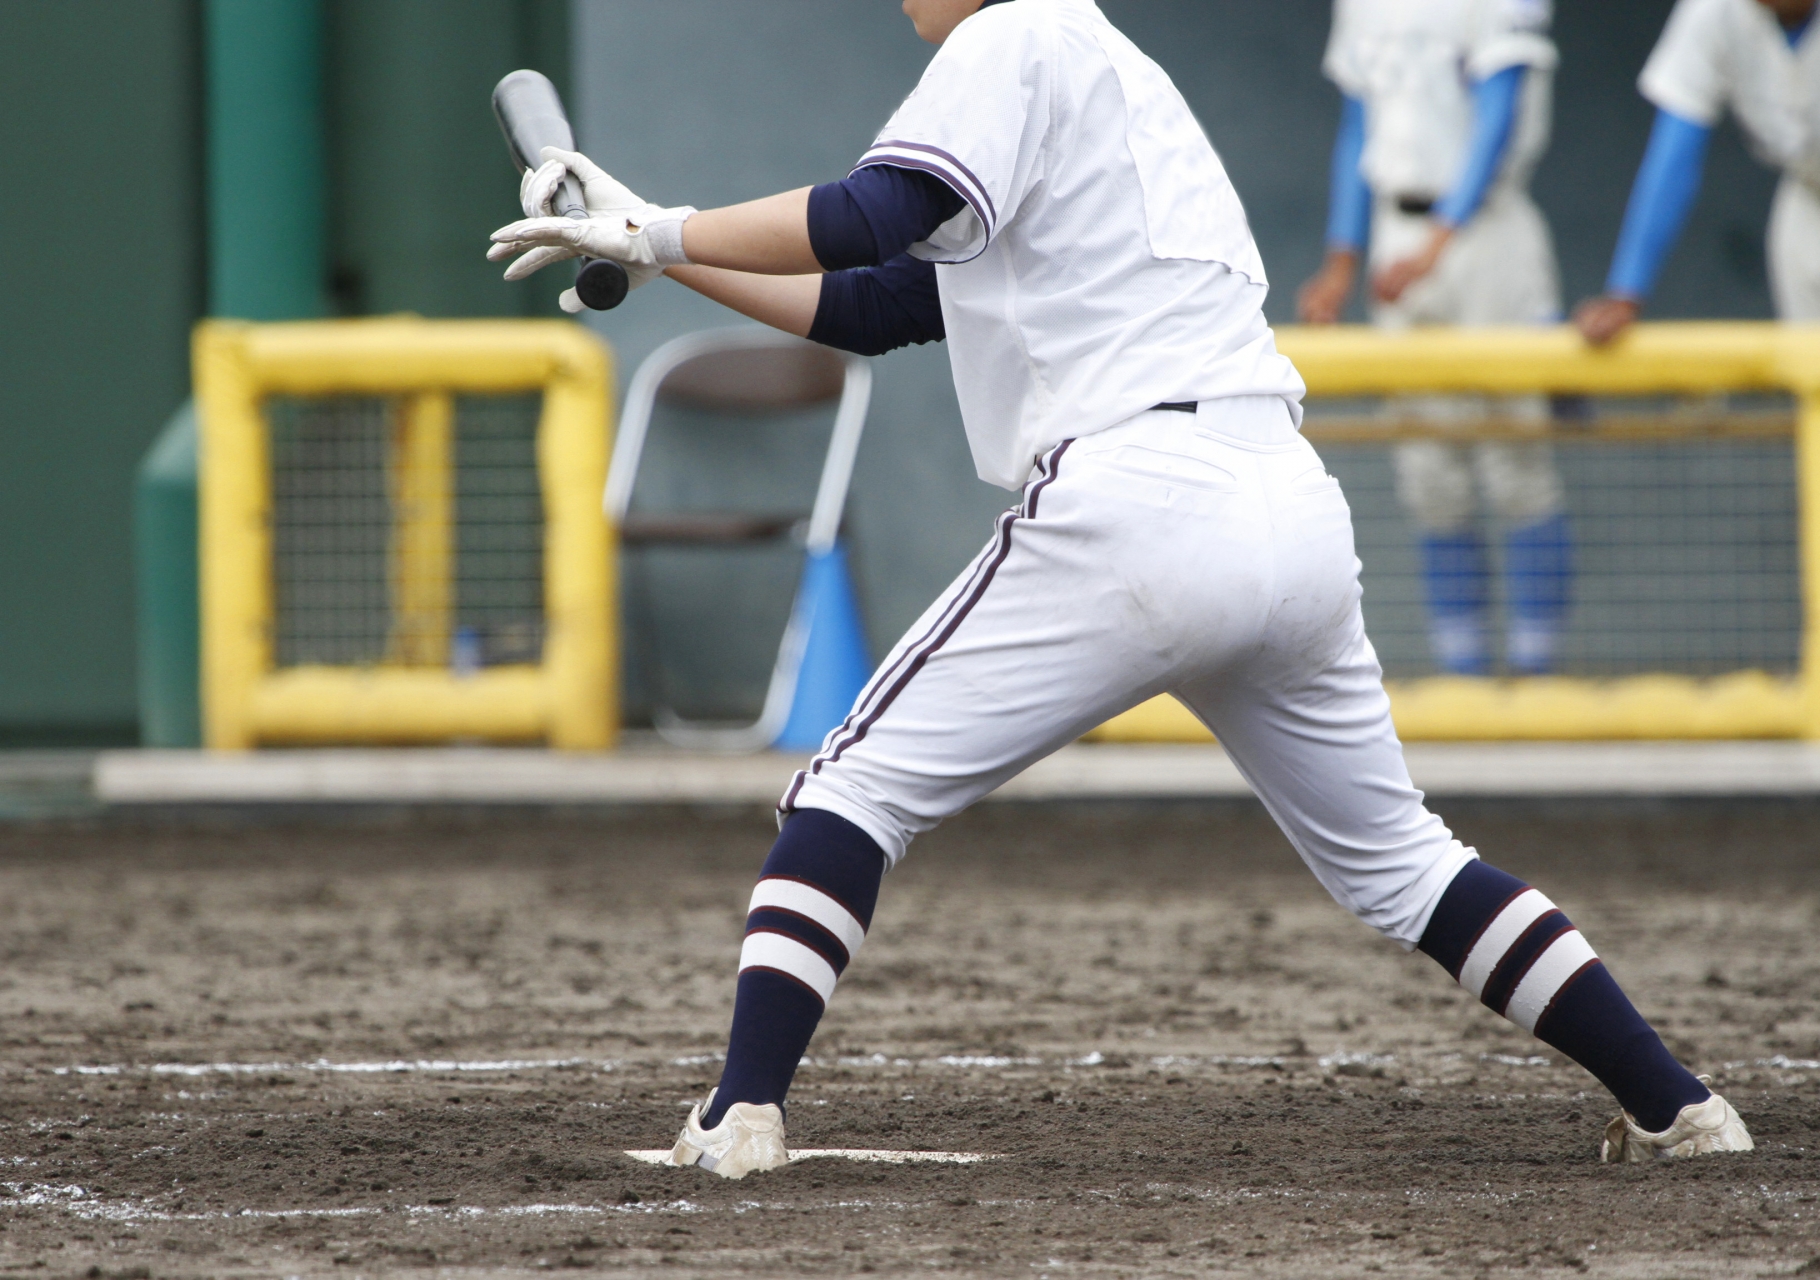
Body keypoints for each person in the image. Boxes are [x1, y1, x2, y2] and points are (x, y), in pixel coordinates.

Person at [488, 0, 1750, 1177]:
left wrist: (659, 233)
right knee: (1408, 865)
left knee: (849, 791)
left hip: (1142, 501)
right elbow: (880, 304)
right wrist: (661, 238)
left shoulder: (1010, 34)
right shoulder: (1117, 73)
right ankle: (1680, 1105)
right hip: (1287, 500)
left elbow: (871, 214)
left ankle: (739, 1113)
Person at [1297, 0, 1575, 678]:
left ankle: (1538, 683)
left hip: (1488, 231)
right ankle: (1466, 681)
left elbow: (1499, 112)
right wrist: (1341, 260)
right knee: (1429, 474)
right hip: (1398, 229)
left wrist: (1440, 239)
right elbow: (1358, 126)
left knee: (1518, 465)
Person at [1575, 0, 1820, 354]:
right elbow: (1673, 159)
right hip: (1810, 206)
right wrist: (1626, 292)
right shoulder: (1713, 13)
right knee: (1817, 374)